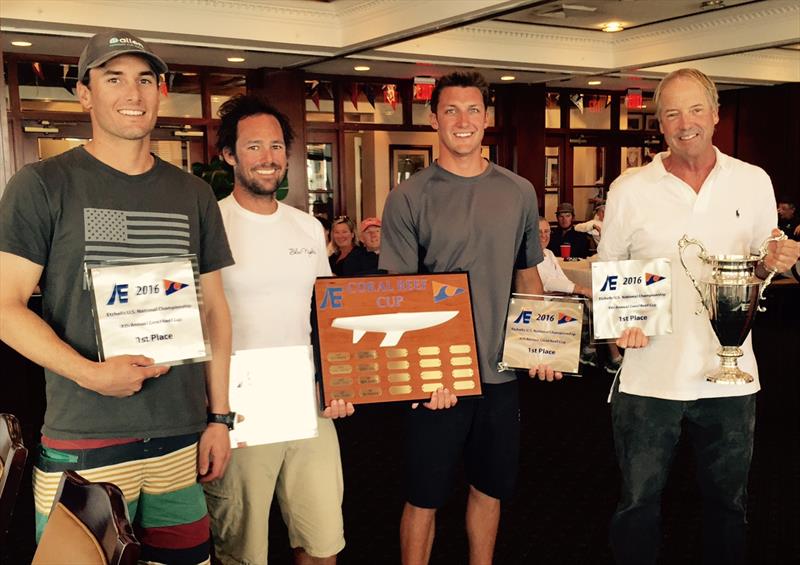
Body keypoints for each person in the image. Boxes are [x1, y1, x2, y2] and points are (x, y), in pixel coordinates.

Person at [0, 29, 234, 563]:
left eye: (145, 79)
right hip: (86, 439)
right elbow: (4, 306)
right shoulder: (42, 184)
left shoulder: (193, 193)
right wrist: (91, 373)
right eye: (114, 78)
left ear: (161, 91)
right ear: (85, 94)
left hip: (181, 438)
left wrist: (220, 417)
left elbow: (215, 308)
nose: (133, 92)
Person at [599, 68, 800, 565]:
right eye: (671, 113)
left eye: (694, 110)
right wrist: (613, 336)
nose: (684, 122)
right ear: (659, 124)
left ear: (714, 115)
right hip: (649, 378)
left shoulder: (752, 181)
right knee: (637, 505)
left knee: (729, 506)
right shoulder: (631, 187)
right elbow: (610, 268)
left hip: (730, 376)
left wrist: (776, 260)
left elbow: (759, 263)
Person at [379, 71, 559, 565]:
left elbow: (528, 278)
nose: (463, 121)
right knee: (423, 496)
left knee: (490, 486)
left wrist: (543, 346)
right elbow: (396, 297)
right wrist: (419, 376)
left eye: (473, 110)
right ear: (434, 119)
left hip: (500, 375)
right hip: (439, 378)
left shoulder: (519, 191)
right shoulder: (409, 197)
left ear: (487, 118)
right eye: (451, 111)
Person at [203, 95, 354, 565]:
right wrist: (214, 415)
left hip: (306, 401)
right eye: (253, 147)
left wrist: (338, 382)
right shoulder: (210, 223)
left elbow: (328, 314)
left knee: (322, 539)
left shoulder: (308, 227)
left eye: (275, 147)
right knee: (243, 550)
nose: (267, 158)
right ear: (229, 155)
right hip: (238, 406)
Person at [537, 218, 622, 373]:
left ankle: (592, 350)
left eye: (547, 231)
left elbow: (562, 279)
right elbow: (547, 283)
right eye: (539, 232)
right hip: (544, 302)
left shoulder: (549, 253)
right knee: (594, 302)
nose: (544, 235)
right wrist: (581, 290)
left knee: (600, 302)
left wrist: (578, 291)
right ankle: (611, 356)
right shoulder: (530, 256)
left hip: (561, 297)